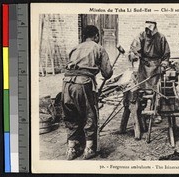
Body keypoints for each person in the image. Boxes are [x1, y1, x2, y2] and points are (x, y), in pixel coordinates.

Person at [61, 25, 113, 160]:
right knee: (90, 114)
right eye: (98, 37)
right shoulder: (98, 48)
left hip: (66, 83)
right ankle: (89, 149)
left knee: (71, 114)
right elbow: (107, 72)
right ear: (96, 36)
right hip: (83, 84)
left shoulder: (75, 48)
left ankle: (72, 148)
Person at [124, 20, 170, 134]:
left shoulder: (161, 38)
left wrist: (164, 64)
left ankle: (156, 111)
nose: (148, 32)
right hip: (144, 67)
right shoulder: (141, 36)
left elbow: (166, 54)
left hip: (156, 67)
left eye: (150, 30)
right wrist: (134, 55)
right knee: (142, 91)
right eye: (147, 29)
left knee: (156, 91)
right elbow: (134, 48)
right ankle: (142, 112)